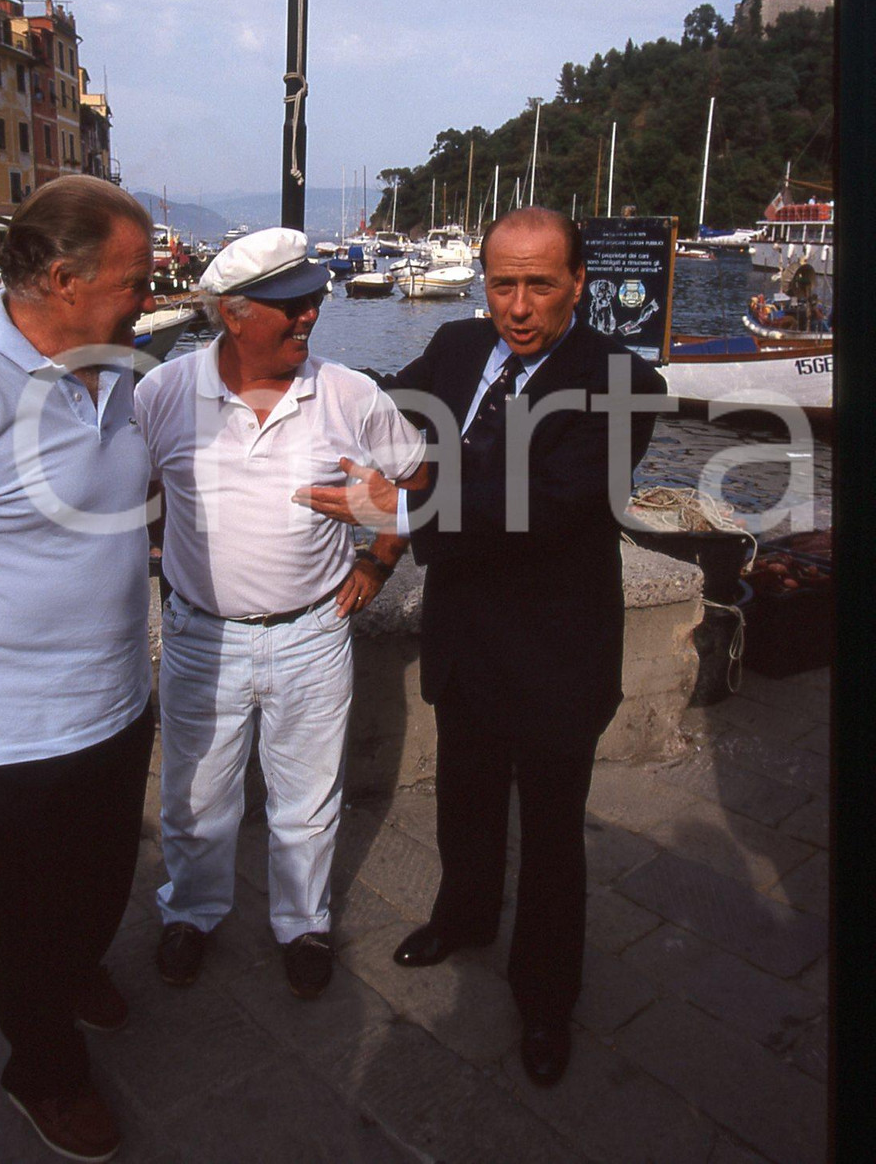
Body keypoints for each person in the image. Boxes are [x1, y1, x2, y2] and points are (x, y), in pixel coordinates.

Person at [293, 207, 667, 1087]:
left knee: (548, 835)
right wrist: (293, 382)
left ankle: (544, 998)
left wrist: (400, 512)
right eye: (504, 283)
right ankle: (462, 918)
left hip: (554, 649)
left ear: (578, 283)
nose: (521, 306)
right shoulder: (460, 348)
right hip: (463, 632)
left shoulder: (626, 383)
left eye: (542, 284)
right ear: (481, 281)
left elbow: (546, 503)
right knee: (463, 795)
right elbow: (390, 404)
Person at [0, 175, 159, 1162]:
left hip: (115, 692)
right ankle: (41, 1067)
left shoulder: (119, 362)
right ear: (62, 279)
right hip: (8, 721)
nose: (150, 291)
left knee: (103, 877)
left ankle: (76, 964)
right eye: (135, 277)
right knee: (30, 907)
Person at [134, 227, 426, 1000]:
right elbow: (129, 498)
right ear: (233, 314)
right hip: (201, 636)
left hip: (312, 634)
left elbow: (417, 476)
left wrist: (379, 550)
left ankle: (303, 924)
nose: (310, 318)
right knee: (194, 800)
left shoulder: (349, 394)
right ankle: (191, 912)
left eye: (315, 301)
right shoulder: (162, 393)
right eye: (291, 305)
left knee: (307, 800)